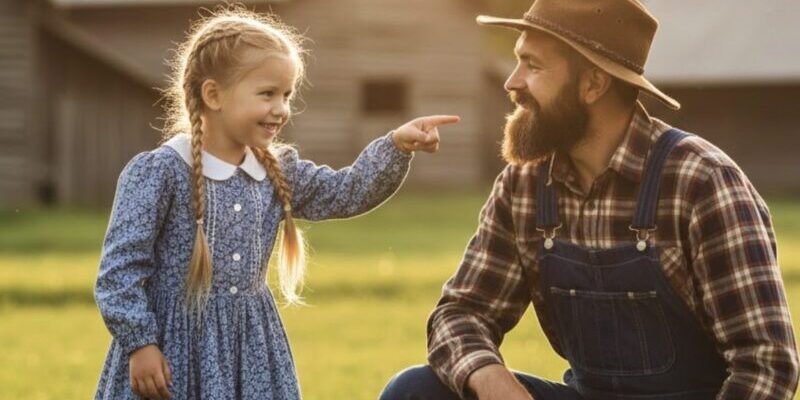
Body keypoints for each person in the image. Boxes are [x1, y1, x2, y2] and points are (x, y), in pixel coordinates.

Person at [380, 0, 798, 399]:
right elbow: (461, 314)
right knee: (415, 391)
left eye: (533, 65)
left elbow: (766, 363)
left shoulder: (702, 182)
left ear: (593, 84)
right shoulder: (523, 185)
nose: (512, 82)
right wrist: (494, 384)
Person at [92, 8, 459, 400]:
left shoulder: (277, 170)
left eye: (287, 95)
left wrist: (396, 146)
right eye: (267, 94)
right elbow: (119, 271)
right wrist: (141, 343)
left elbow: (347, 191)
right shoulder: (161, 172)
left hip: (253, 352)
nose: (281, 108)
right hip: (172, 353)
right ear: (213, 95)